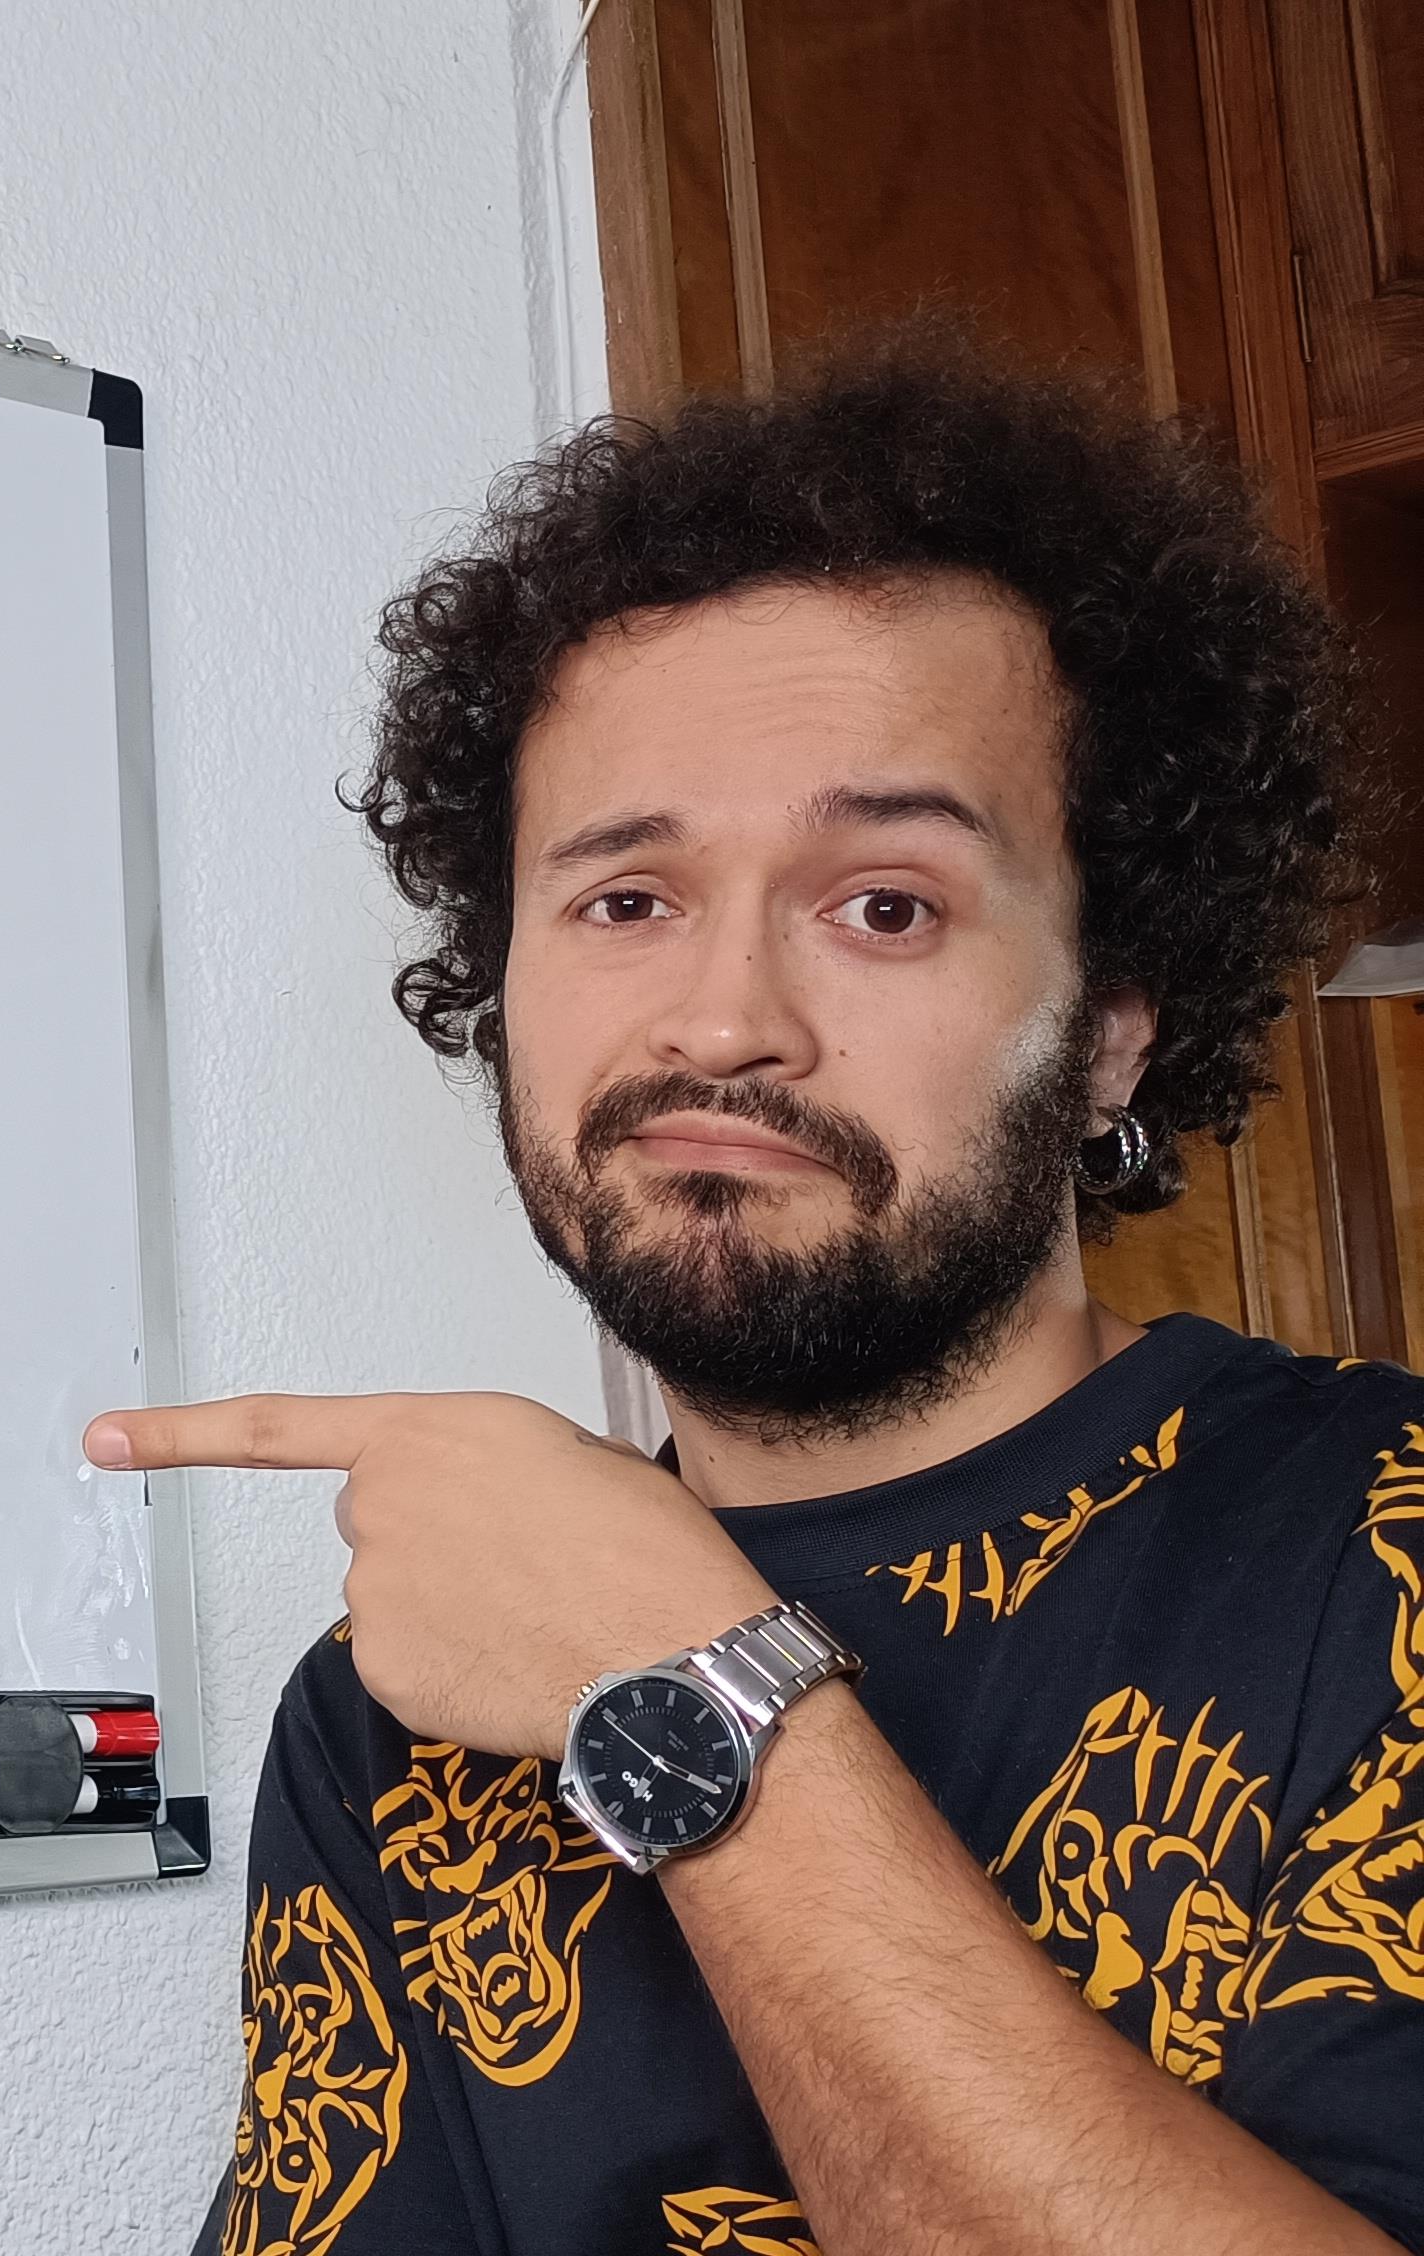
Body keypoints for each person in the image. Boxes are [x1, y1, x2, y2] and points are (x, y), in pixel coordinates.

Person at [117, 338, 1424, 2254]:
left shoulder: (1384, 1549)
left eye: (885, 903)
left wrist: (677, 1675)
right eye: (626, 901)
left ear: (1110, 1038)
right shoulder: (399, 1699)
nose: (724, 1020)